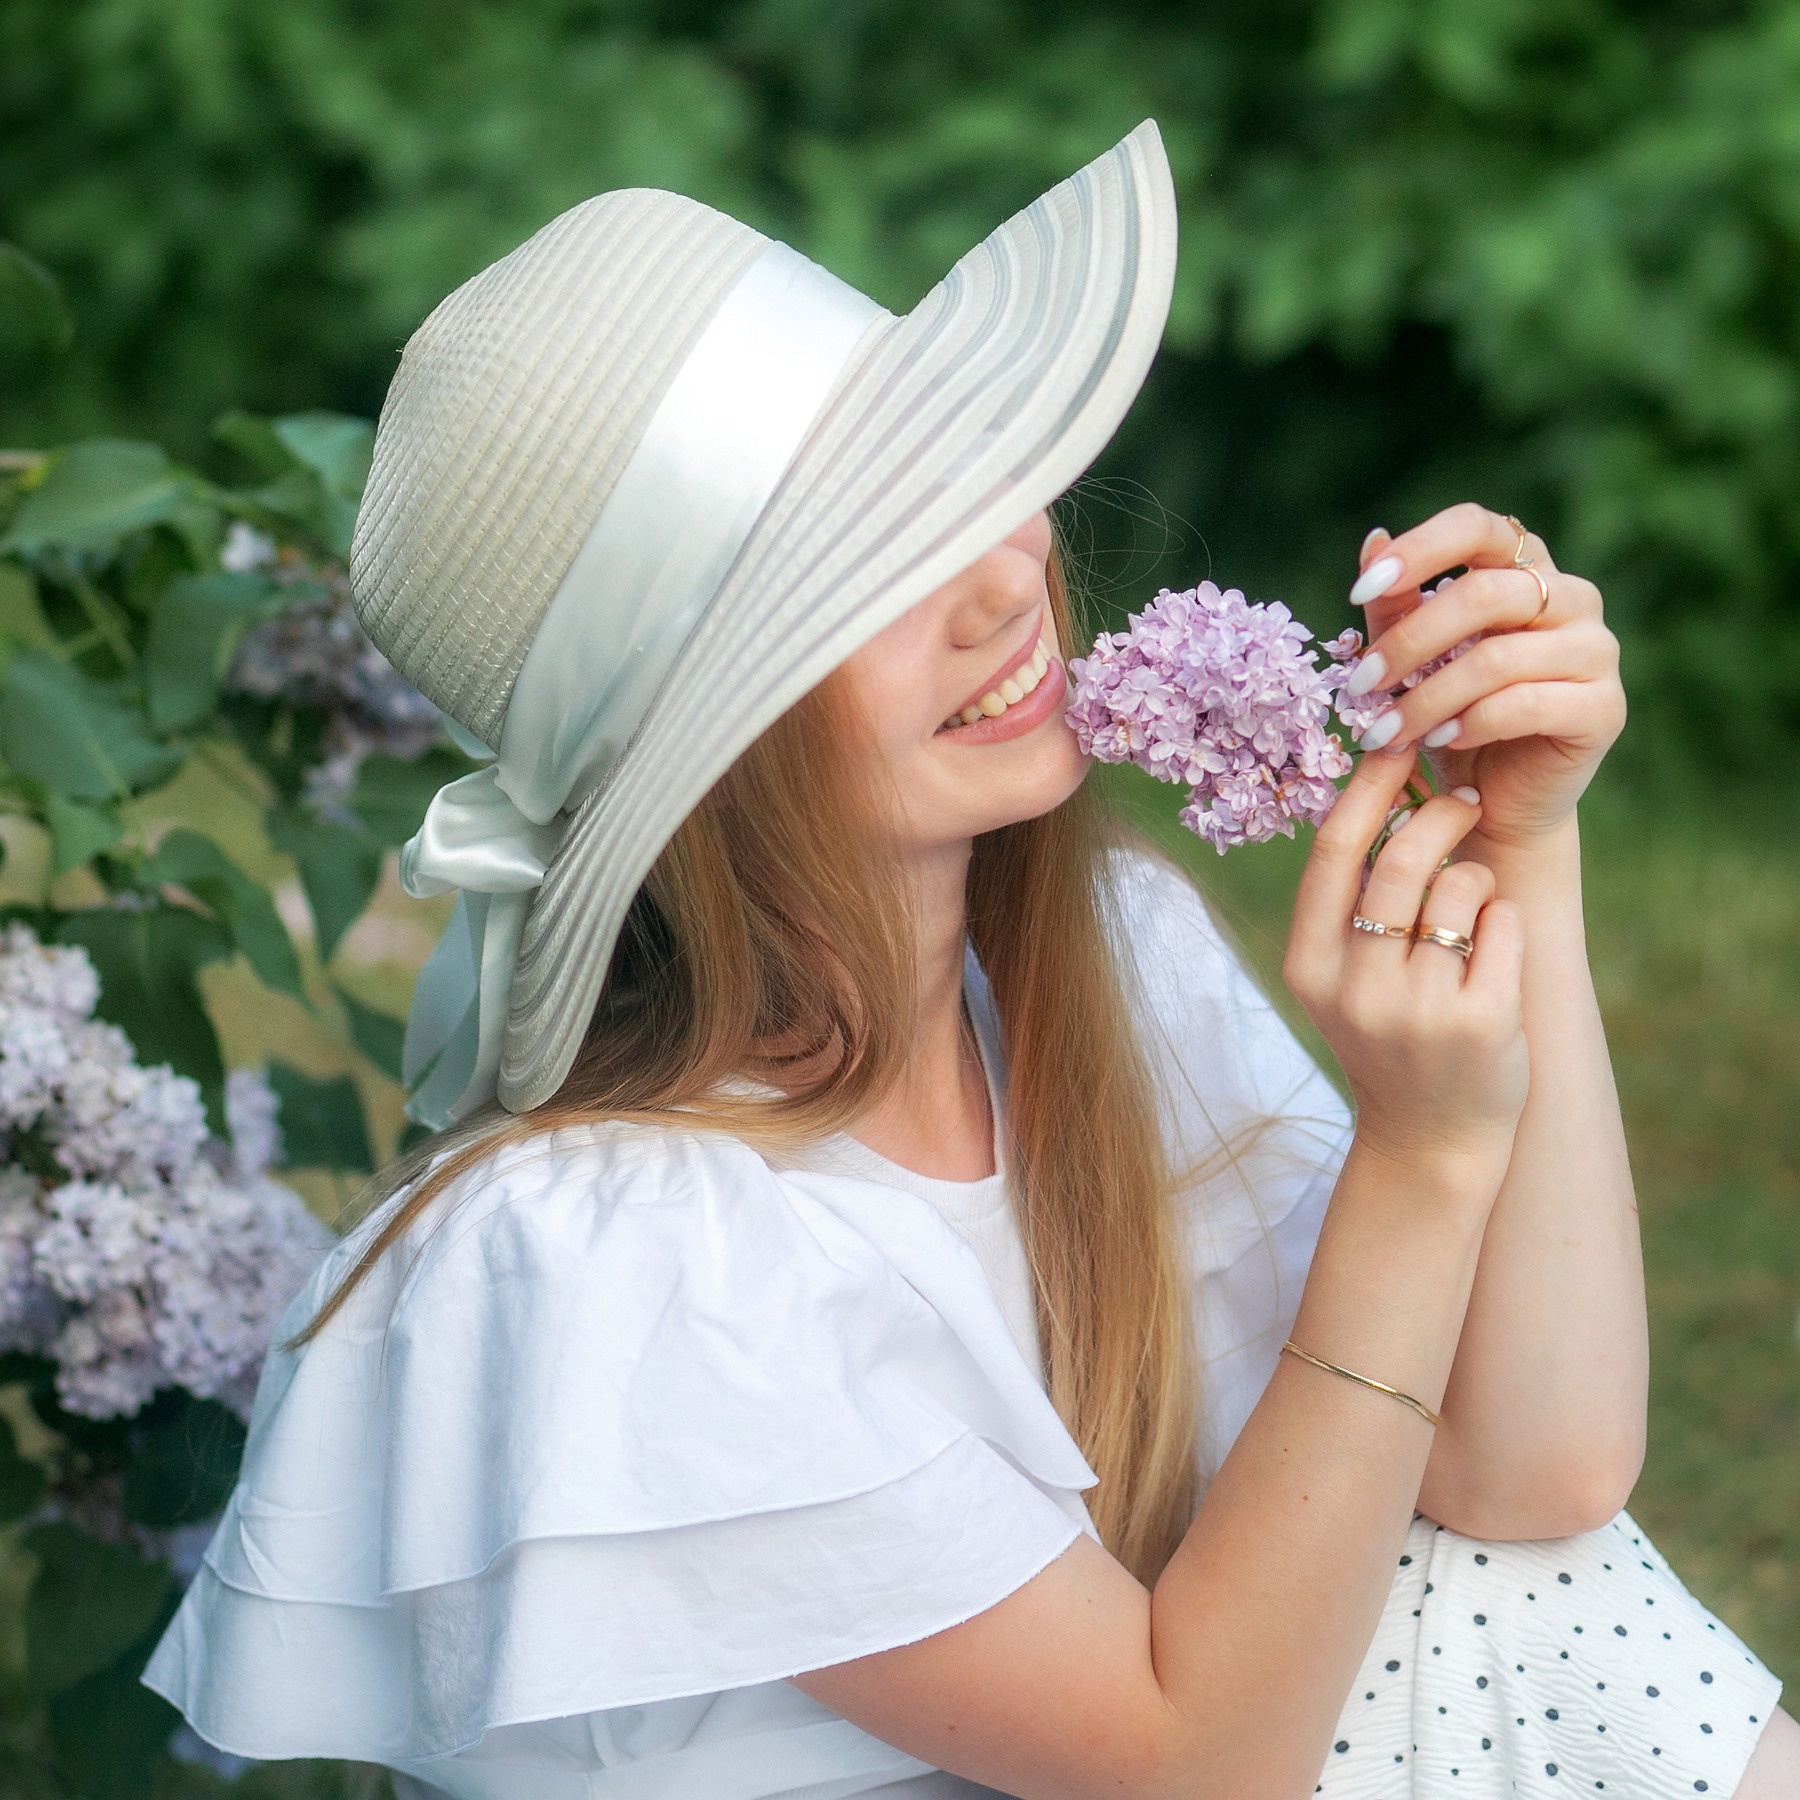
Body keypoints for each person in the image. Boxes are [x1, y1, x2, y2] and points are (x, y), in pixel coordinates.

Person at [143, 123, 1794, 1799]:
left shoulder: (1104, 959)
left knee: (1516, 1599)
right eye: (861, 570)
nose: (1007, 578)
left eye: (959, 477)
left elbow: (1540, 1475)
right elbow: (1195, 1767)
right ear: (696, 750)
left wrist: (1525, 851)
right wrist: (1423, 1161)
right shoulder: (628, 1255)